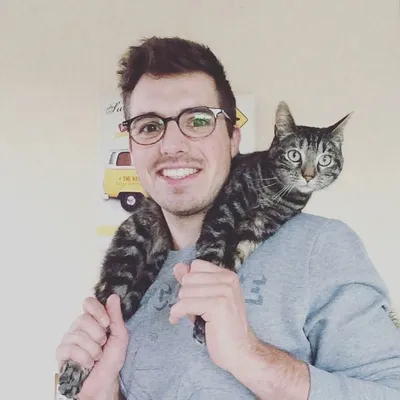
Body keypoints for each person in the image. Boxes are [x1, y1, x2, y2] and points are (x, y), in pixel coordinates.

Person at [56, 36, 400, 400]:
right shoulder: (130, 259)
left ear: (233, 139)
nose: (171, 145)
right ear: (132, 146)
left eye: (198, 120)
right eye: (149, 126)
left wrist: (248, 356)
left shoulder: (322, 248)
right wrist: (102, 394)